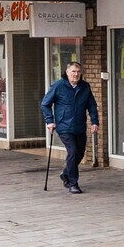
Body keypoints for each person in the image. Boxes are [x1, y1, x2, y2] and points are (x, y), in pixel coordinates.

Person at [40, 61, 100, 194]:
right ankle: (73, 183)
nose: (76, 74)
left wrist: (94, 122)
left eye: (78, 72)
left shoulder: (85, 87)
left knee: (79, 153)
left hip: (79, 126)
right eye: (73, 71)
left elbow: (92, 106)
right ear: (67, 72)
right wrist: (50, 121)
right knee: (72, 151)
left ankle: (66, 173)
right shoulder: (58, 86)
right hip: (64, 126)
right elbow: (45, 104)